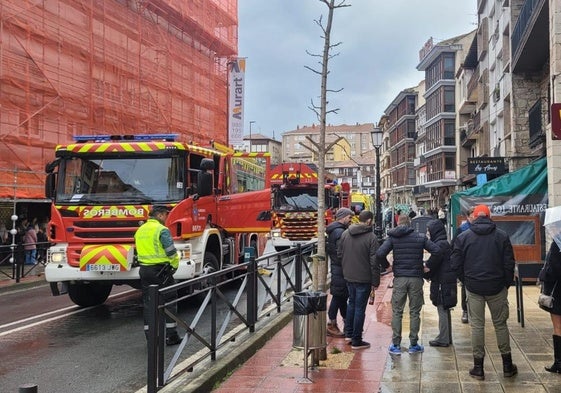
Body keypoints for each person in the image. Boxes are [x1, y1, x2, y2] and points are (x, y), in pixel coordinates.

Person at [450, 204, 517, 380]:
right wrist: (506, 284)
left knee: (477, 326)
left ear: (475, 217)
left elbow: (455, 263)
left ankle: (478, 367)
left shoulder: (464, 237)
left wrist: (466, 281)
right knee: (500, 325)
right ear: (489, 216)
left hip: (474, 287)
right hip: (497, 287)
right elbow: (509, 263)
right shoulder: (502, 236)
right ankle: (507, 365)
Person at [376, 214, 441, 355]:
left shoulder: (393, 238)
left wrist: (387, 266)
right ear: (410, 224)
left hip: (399, 279)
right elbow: (437, 251)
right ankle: (413, 344)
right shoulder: (420, 237)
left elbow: (380, 253)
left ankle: (396, 345)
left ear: (398, 223)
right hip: (416, 278)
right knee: (414, 312)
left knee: (397, 311)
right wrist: (427, 266)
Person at [135, 205, 182, 346]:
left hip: (144, 271)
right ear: (160, 215)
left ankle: (151, 338)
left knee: (149, 304)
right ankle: (171, 336)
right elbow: (171, 252)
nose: (166, 218)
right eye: (166, 215)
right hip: (161, 271)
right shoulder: (161, 230)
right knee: (169, 301)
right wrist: (174, 266)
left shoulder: (140, 230)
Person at [338, 210, 381, 350]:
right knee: (359, 308)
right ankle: (357, 340)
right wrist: (375, 281)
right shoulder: (371, 237)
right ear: (369, 221)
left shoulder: (345, 234)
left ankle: (348, 333)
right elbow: (374, 262)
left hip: (349, 275)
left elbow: (340, 254)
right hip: (364, 278)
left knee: (351, 304)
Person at [425, 219, 457, 347]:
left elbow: (433, 263)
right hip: (446, 280)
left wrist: (426, 271)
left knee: (442, 308)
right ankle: (446, 337)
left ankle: (443, 338)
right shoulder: (444, 242)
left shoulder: (439, 245)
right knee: (445, 308)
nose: (427, 233)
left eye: (429, 231)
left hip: (442, 282)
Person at [326, 207, 354, 337]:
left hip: (338, 267)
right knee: (338, 296)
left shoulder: (336, 231)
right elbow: (340, 252)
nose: (351, 220)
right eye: (349, 217)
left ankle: (346, 322)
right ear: (343, 217)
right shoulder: (339, 232)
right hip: (340, 268)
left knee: (342, 296)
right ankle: (331, 324)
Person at [539, 240, 561, 373]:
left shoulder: (558, 242)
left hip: (558, 292)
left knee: (558, 327)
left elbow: (553, 270)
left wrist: (543, 274)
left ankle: (559, 362)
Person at [452, 207, 475, 324]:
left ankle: (474, 312)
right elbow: (454, 247)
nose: (474, 219)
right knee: (465, 288)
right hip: (466, 264)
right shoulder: (462, 229)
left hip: (478, 264)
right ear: (467, 217)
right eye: (472, 217)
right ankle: (465, 310)